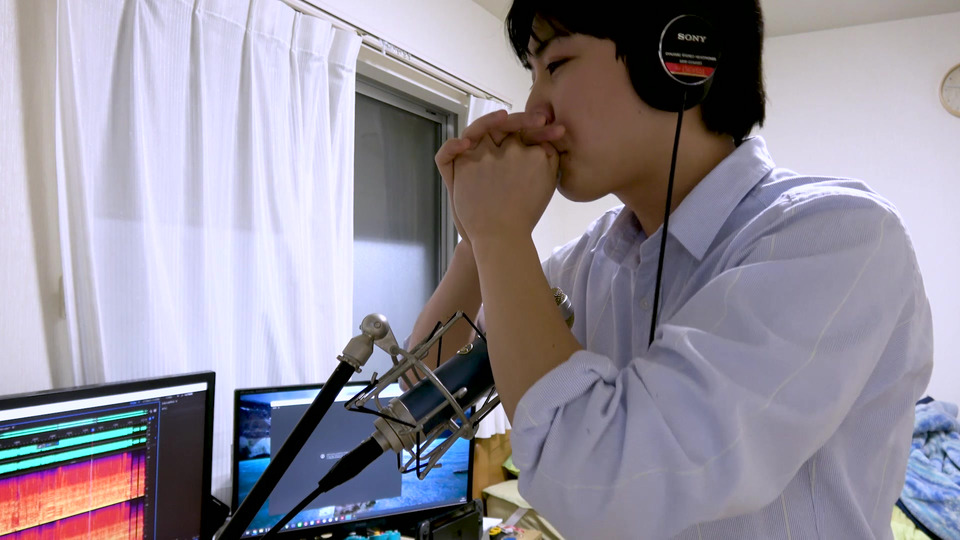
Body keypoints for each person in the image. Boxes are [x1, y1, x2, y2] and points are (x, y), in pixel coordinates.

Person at [408, 0, 934, 538]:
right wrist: (479, 238)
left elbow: (607, 484)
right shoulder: (591, 260)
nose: (534, 107)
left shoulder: (838, 236)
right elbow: (420, 398)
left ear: (677, 58)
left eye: (556, 64)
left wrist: (501, 233)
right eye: (532, 74)